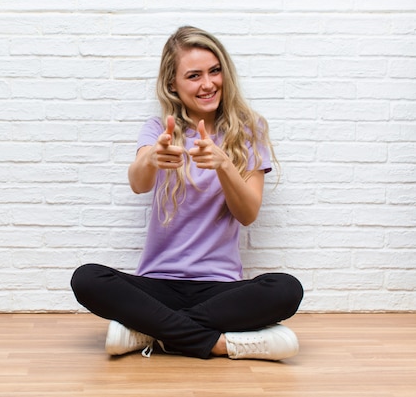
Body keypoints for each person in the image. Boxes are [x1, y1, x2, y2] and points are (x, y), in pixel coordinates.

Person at [70, 26, 304, 360]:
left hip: (219, 289)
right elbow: (139, 183)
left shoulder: (250, 131)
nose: (208, 84)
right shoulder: (157, 129)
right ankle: (223, 343)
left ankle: (146, 332)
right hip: (156, 285)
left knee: (286, 289)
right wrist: (151, 157)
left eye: (214, 71)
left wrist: (224, 165)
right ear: (172, 84)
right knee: (87, 278)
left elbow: (248, 213)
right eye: (193, 75)